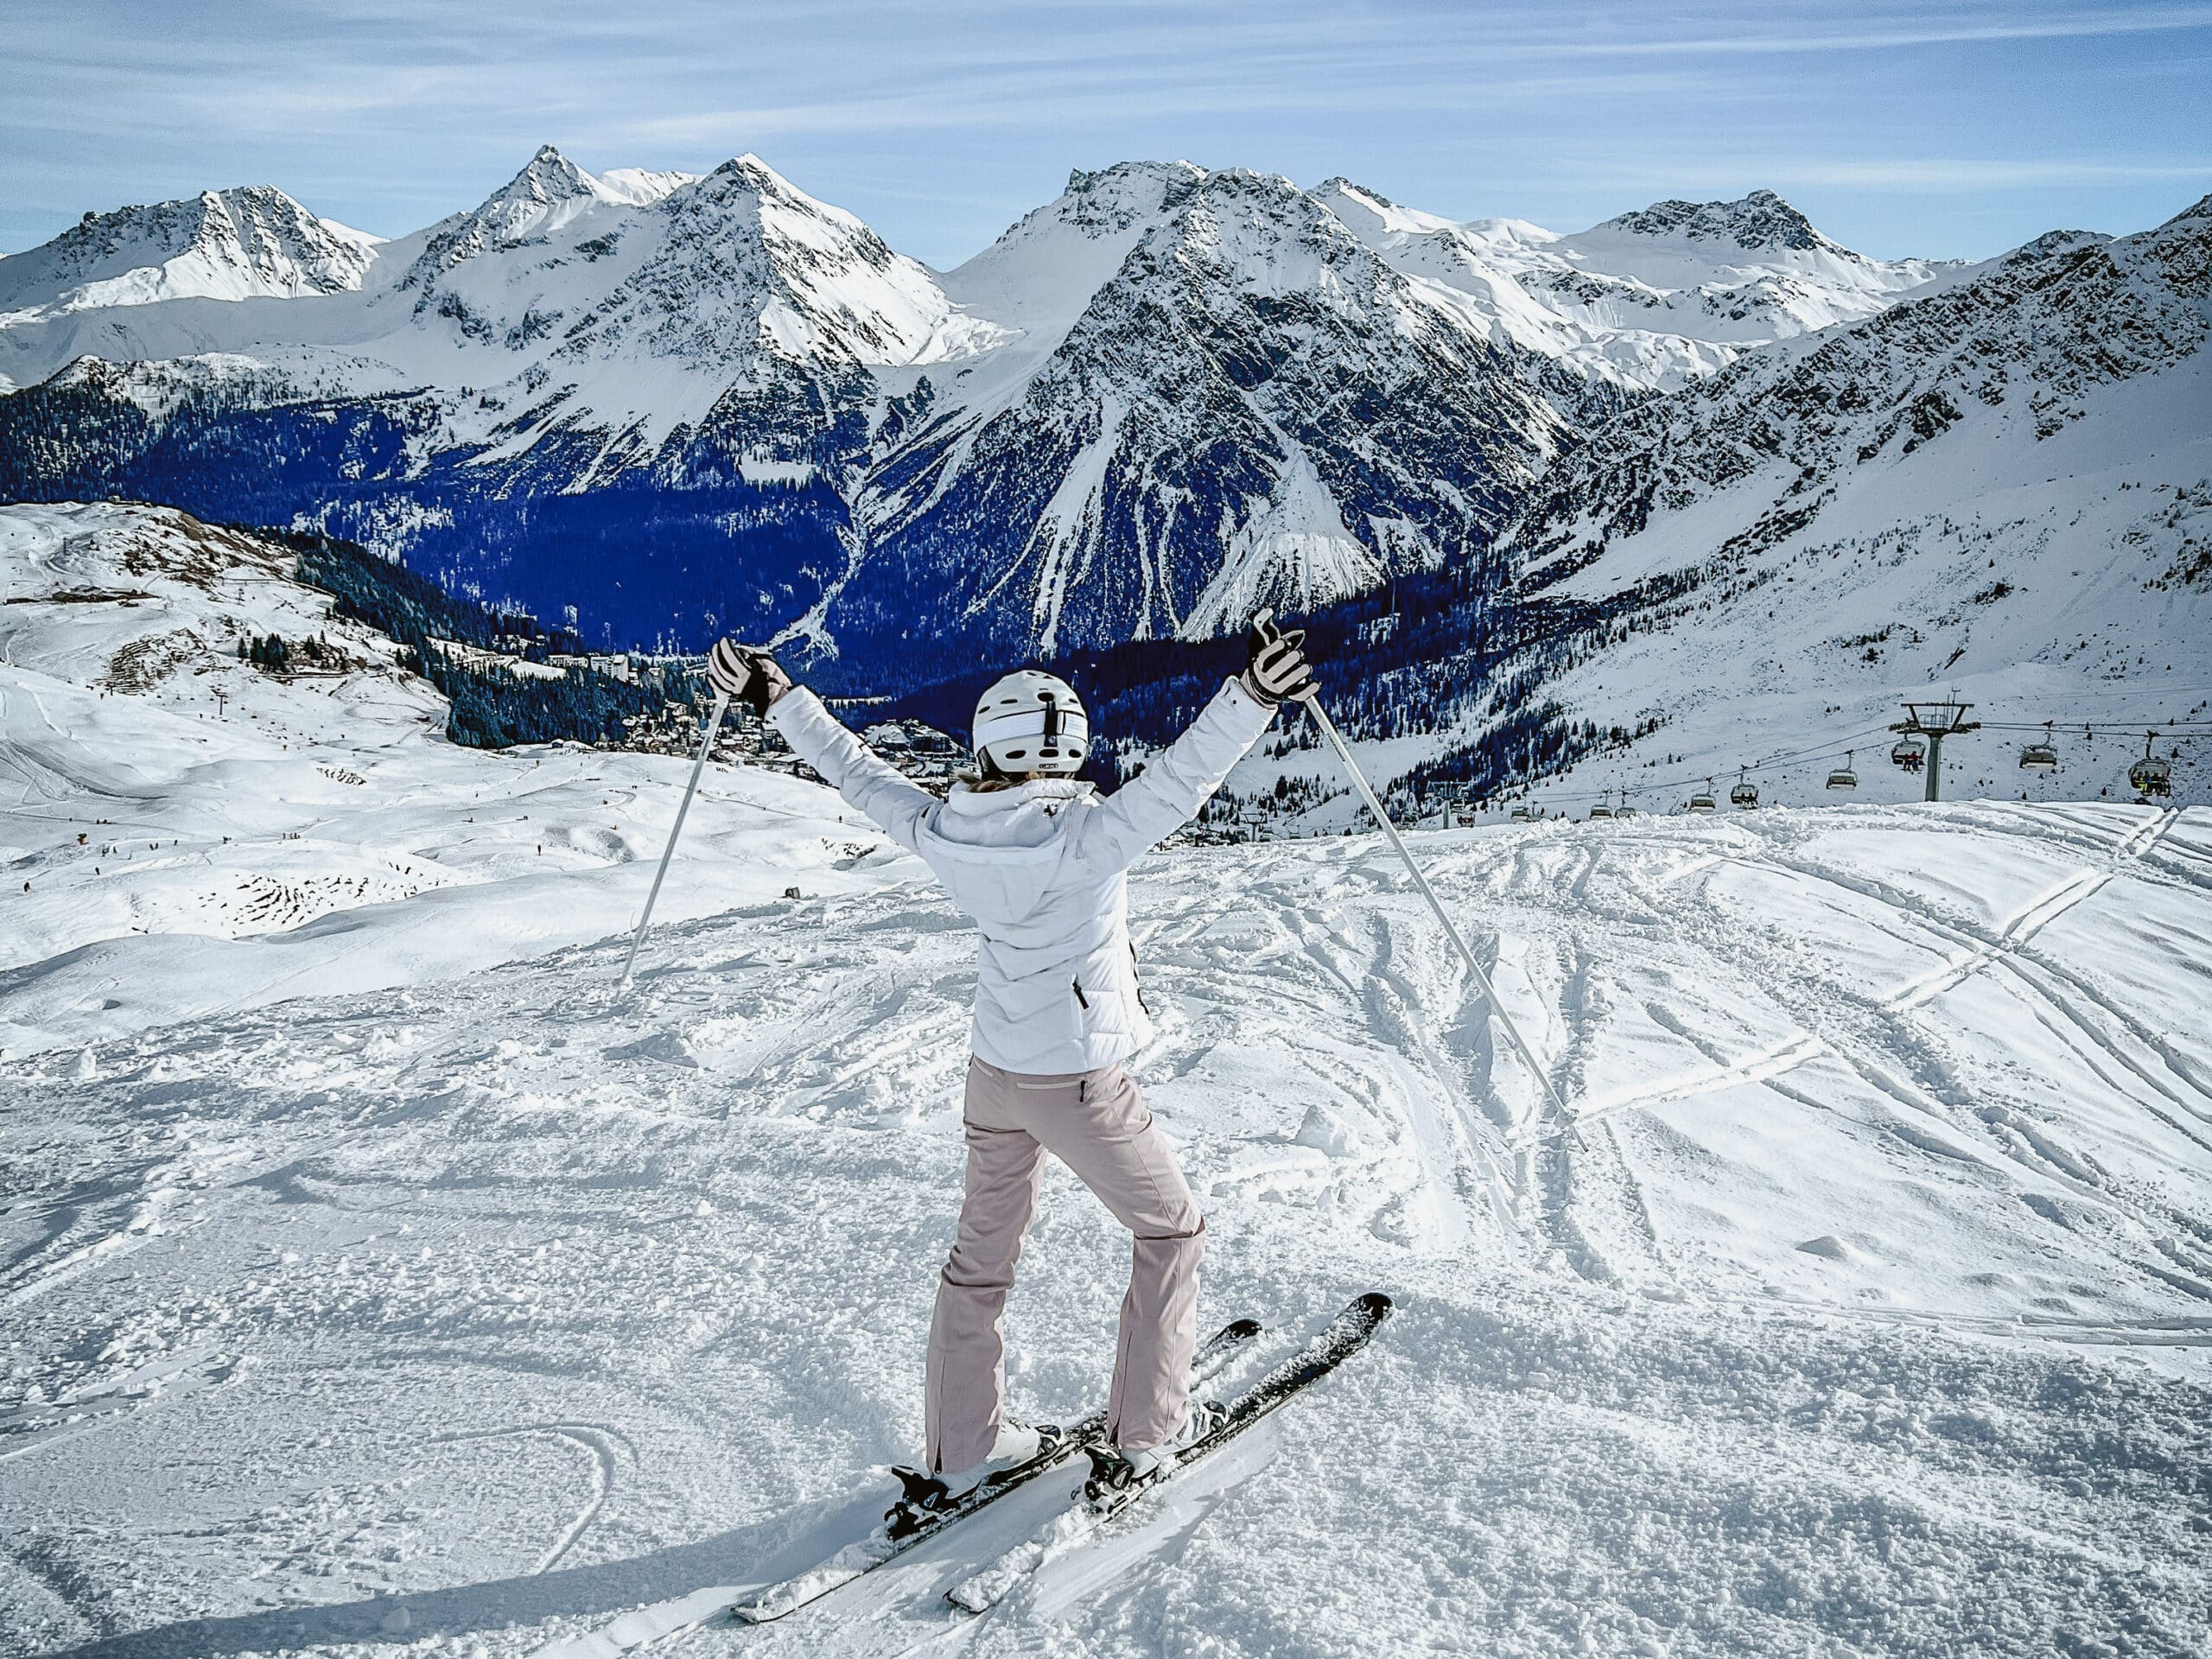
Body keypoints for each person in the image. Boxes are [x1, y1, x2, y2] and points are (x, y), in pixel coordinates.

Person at [705, 616, 1316, 1498]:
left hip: (993, 1079)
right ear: (1068, 752)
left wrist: (778, 696)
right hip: (1075, 1083)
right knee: (1170, 1230)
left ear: (987, 746)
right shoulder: (1089, 838)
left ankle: (963, 1447)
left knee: (980, 1260)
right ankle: (1147, 1432)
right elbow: (1182, 781)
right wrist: (1252, 695)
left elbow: (856, 774)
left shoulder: (943, 832)